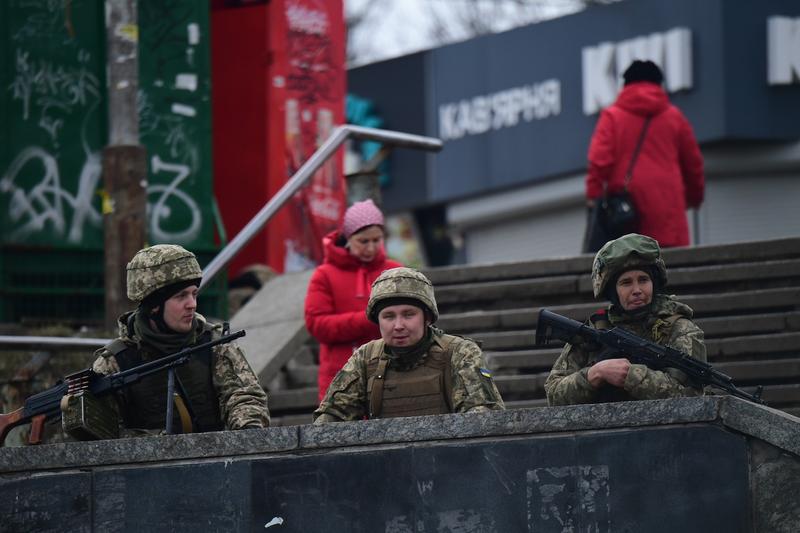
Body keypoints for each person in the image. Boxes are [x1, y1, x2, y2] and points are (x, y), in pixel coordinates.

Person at [91, 244, 270, 435]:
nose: (192, 305)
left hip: (216, 458)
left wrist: (247, 431)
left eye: (194, 294)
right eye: (181, 296)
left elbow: (244, 396)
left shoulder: (214, 345)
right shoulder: (114, 363)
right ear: (154, 306)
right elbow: (102, 437)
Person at [313, 267, 505, 423]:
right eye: (388, 316)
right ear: (377, 320)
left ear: (427, 317)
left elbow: (484, 418)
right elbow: (332, 419)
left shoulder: (460, 353)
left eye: (408, 314)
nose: (398, 326)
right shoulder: (365, 358)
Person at [545, 233, 706, 406]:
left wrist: (631, 375)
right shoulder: (597, 329)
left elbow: (692, 398)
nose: (637, 289)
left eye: (643, 280)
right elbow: (554, 395)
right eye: (626, 282)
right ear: (613, 291)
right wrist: (595, 373)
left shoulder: (680, 329)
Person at [586, 60, 704, 248]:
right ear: (659, 85)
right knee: (671, 268)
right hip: (669, 208)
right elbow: (694, 165)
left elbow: (599, 162)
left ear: (625, 85)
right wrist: (694, 198)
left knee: (630, 261)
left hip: (628, 211)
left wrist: (594, 198)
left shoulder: (612, 116)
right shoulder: (675, 117)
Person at [305, 199, 402, 402]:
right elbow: (317, 324)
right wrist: (370, 318)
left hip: (391, 367)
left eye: (377, 240)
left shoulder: (394, 270)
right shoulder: (324, 274)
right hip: (341, 373)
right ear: (348, 238)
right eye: (363, 241)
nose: (371, 247)